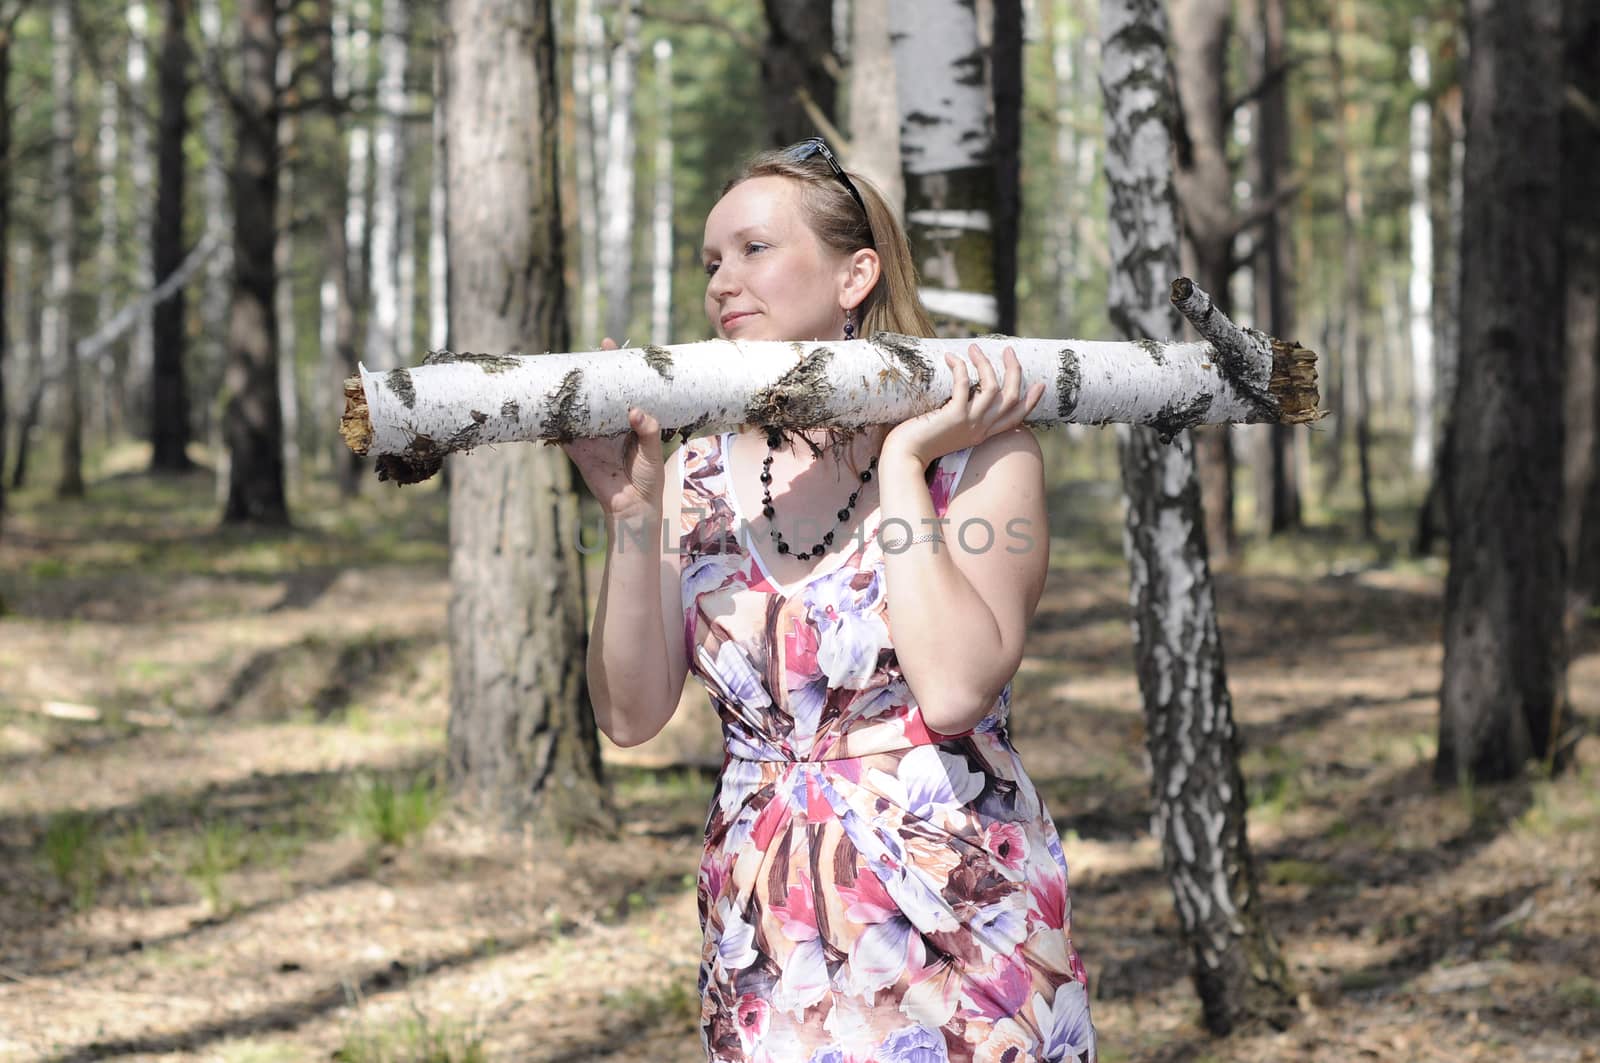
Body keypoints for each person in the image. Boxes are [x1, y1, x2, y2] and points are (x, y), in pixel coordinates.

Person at [562, 138, 1097, 1063]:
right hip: (769, 933)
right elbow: (629, 712)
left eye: (754, 250)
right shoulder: (688, 478)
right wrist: (631, 513)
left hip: (957, 919)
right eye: (710, 262)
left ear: (856, 275)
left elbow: (957, 688)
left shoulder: (979, 455)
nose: (723, 281)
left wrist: (901, 462)